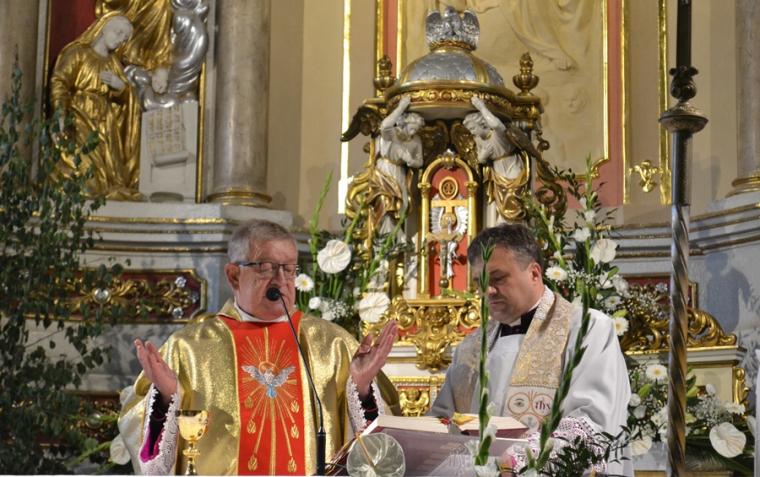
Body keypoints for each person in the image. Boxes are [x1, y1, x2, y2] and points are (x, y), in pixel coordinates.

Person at [118, 219, 400, 475]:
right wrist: (167, 397)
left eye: (289, 269)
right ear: (233, 275)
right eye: (266, 268)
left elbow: (376, 454)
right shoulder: (187, 348)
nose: (281, 281)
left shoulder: (333, 344)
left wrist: (361, 387)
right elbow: (149, 457)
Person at [429, 223, 632, 475]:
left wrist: (514, 461)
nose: (488, 291)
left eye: (498, 278)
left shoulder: (586, 329)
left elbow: (593, 421)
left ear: (534, 273)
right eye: (480, 282)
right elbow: (442, 423)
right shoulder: (470, 348)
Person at [49, 12, 141, 200]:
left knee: (109, 170)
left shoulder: (114, 63)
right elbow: (60, 82)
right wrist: (60, 112)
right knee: (86, 170)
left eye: (124, 39)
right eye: (118, 32)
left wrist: (121, 88)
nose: (120, 40)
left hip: (106, 123)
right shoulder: (77, 53)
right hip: (80, 116)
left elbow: (127, 102)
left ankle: (108, 186)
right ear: (103, 27)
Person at [463, 97, 528, 223]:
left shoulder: (497, 134)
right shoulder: (478, 139)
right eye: (470, 130)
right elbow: (480, 159)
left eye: (473, 128)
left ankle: (516, 223)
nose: (472, 132)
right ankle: (504, 222)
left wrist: (482, 108)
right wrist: (483, 156)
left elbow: (496, 124)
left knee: (513, 196)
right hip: (497, 171)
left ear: (482, 124)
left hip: (511, 165)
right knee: (501, 201)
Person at [370, 95, 425, 234]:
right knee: (386, 201)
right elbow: (385, 125)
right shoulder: (392, 133)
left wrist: (410, 160)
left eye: (416, 129)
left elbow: (420, 162)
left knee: (403, 204)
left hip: (399, 171)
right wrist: (401, 107)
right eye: (412, 128)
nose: (414, 132)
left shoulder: (416, 140)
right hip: (385, 169)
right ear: (404, 124)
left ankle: (396, 235)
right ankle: (384, 235)